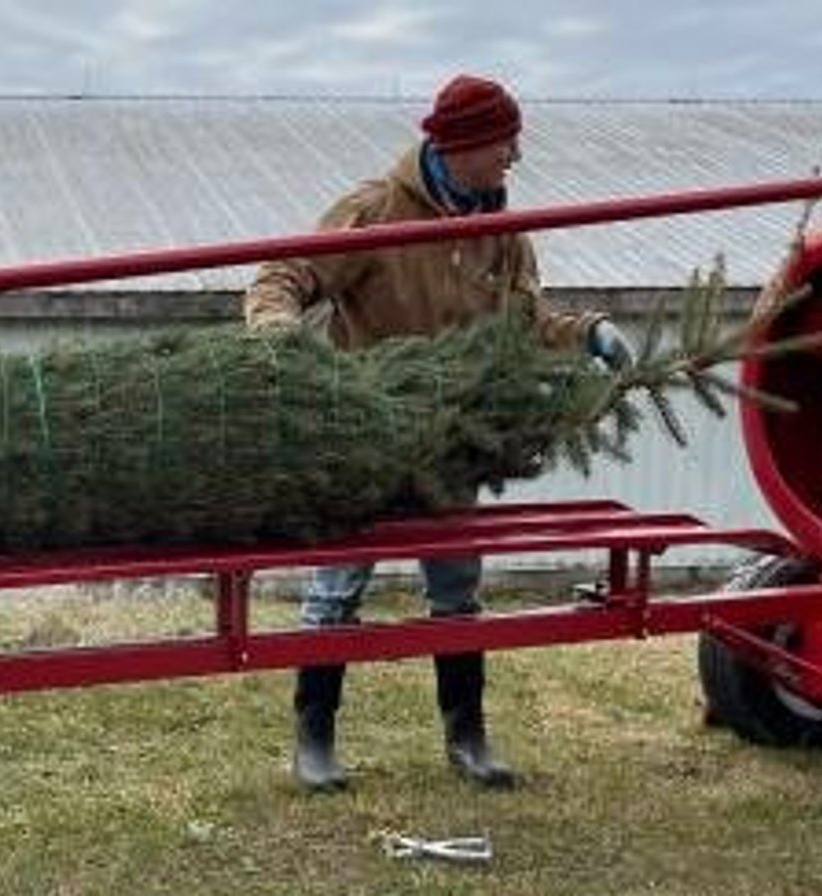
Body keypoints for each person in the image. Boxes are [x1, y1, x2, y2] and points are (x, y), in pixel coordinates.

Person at [243, 74, 636, 792]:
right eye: (503, 142)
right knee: (336, 591)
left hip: (452, 442)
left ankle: (467, 738)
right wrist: (279, 340)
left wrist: (587, 333)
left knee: (457, 593)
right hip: (368, 436)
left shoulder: (502, 234)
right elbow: (284, 276)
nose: (515, 155)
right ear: (461, 144)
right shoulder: (377, 211)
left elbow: (524, 325)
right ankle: (314, 741)